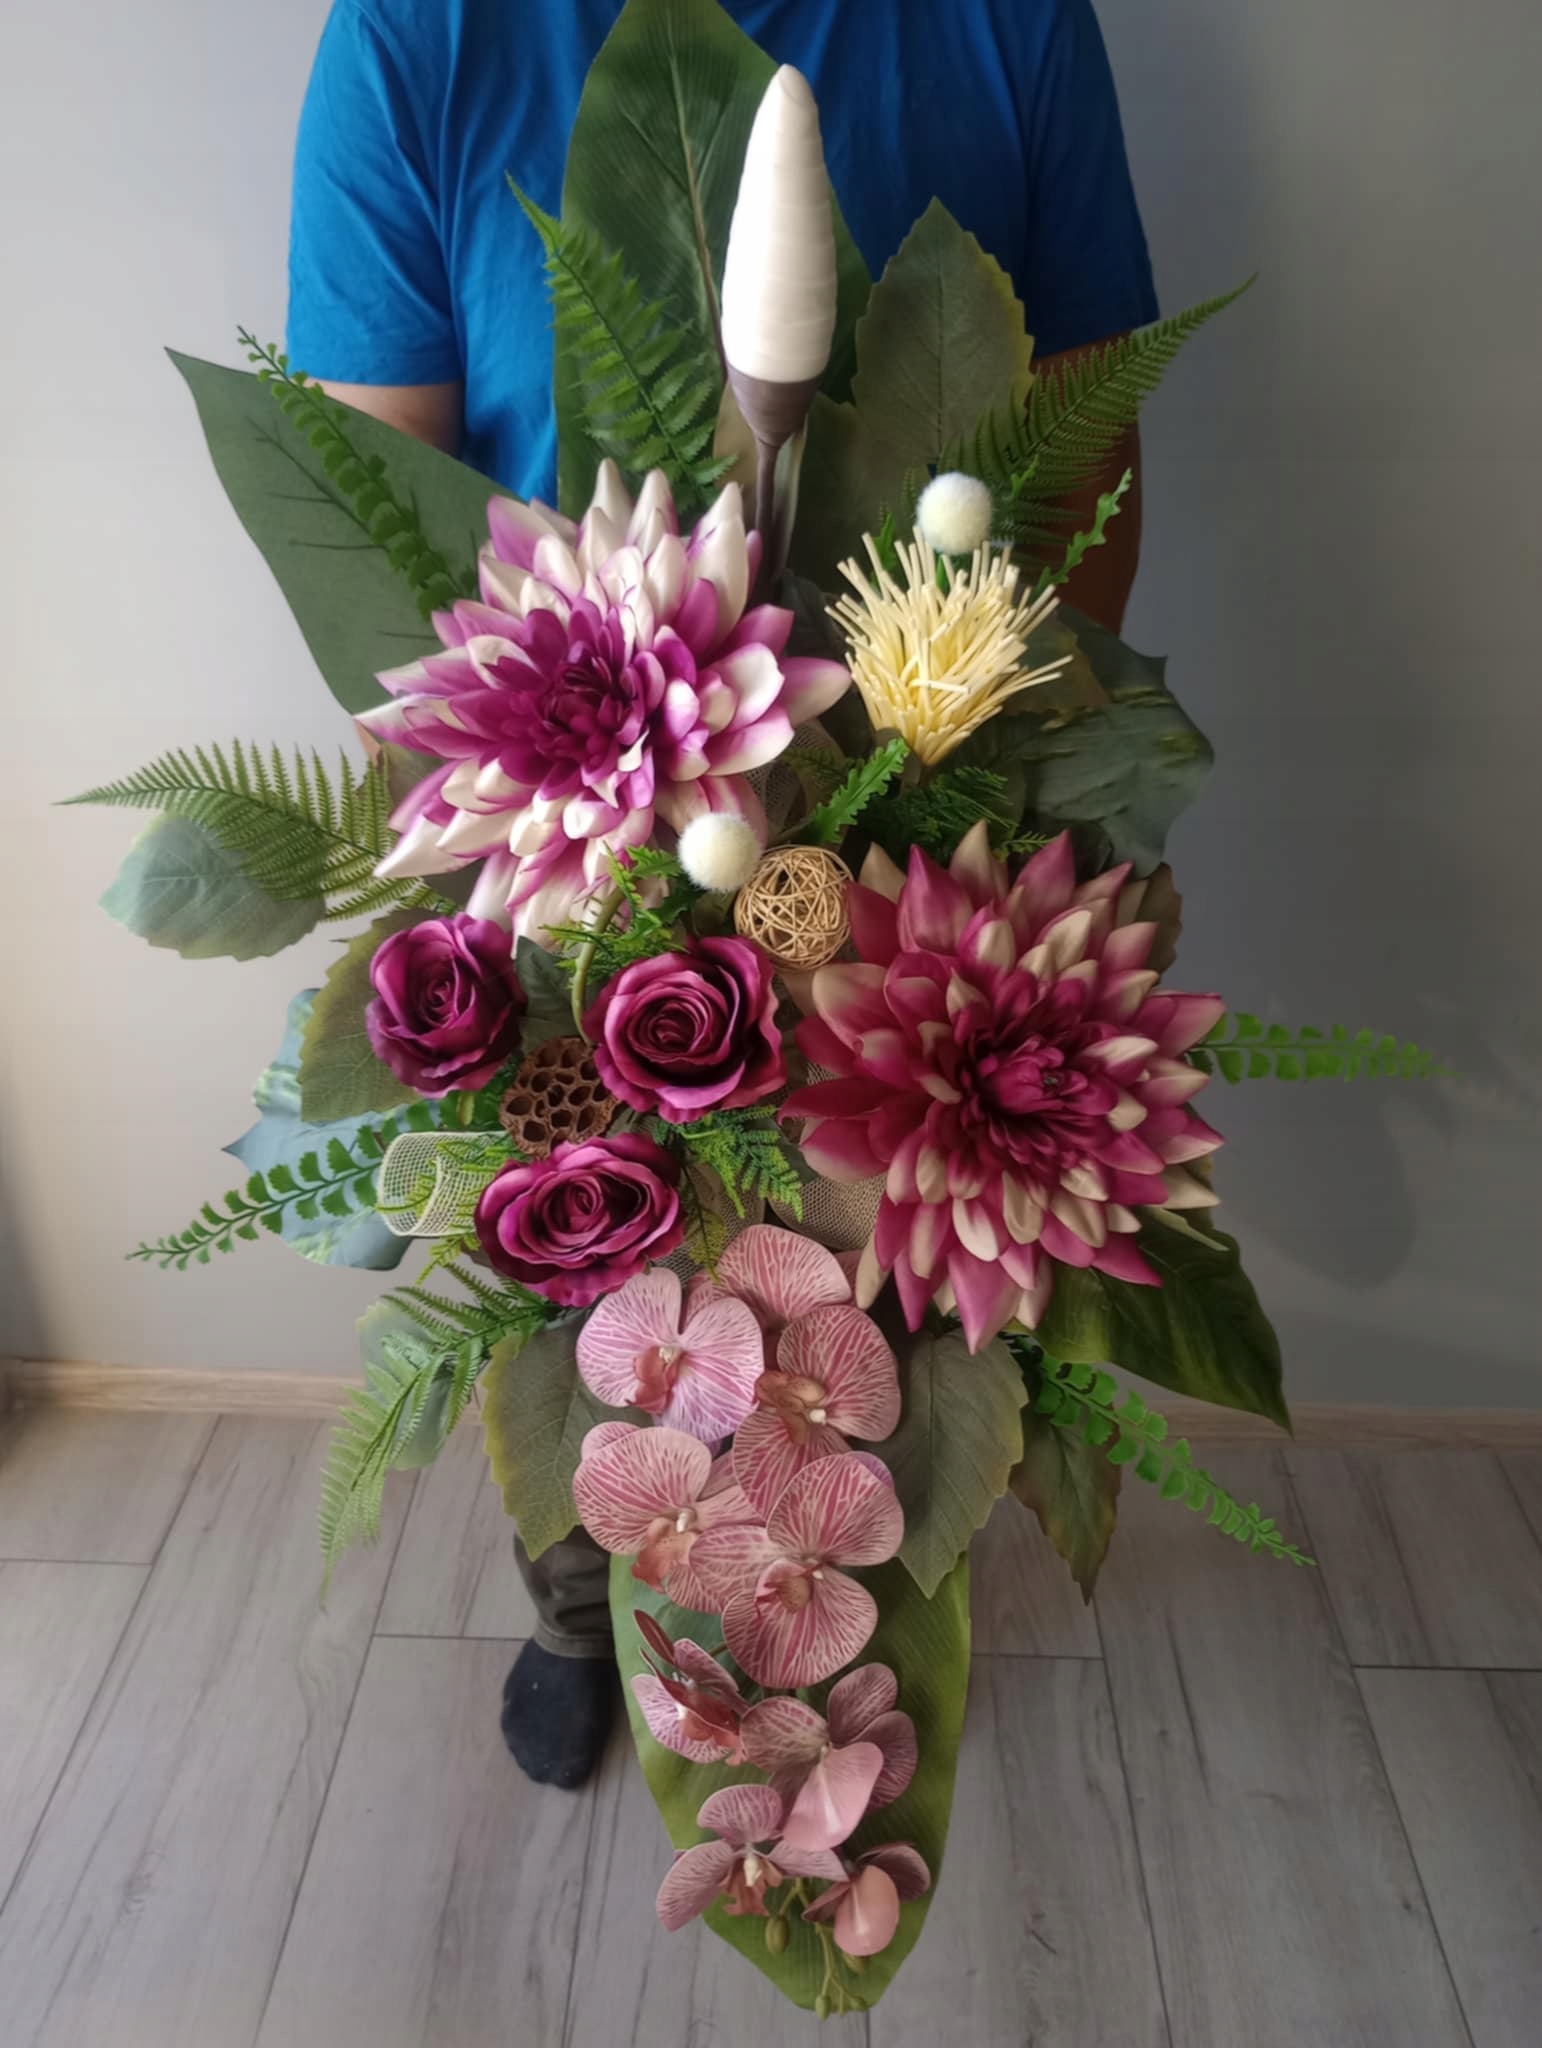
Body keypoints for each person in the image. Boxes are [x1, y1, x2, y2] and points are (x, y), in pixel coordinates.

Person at [288, 0, 1157, 1791]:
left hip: (898, 805)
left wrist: (962, 780)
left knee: (851, 1307)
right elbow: (371, 518)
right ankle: (578, 1593)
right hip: (570, 813)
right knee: (583, 1268)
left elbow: (1087, 465)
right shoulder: (420, 36)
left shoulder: (1012, 27)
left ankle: (834, 1622)